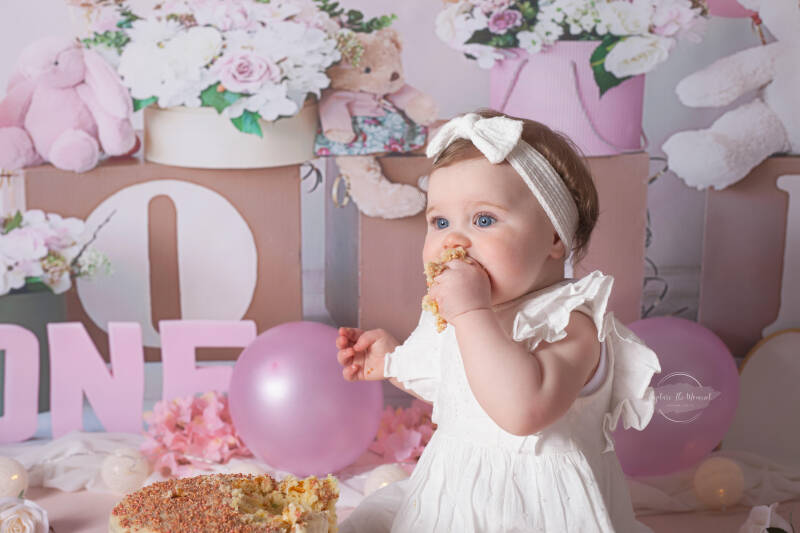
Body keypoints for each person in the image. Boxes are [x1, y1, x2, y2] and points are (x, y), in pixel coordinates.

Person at [335, 109, 661, 532]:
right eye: (439, 222)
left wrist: (472, 315)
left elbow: (522, 411)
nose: (453, 239)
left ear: (554, 237)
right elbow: (457, 386)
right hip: (457, 497)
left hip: (534, 510)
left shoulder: (570, 322)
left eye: (484, 220)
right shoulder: (464, 315)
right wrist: (392, 361)